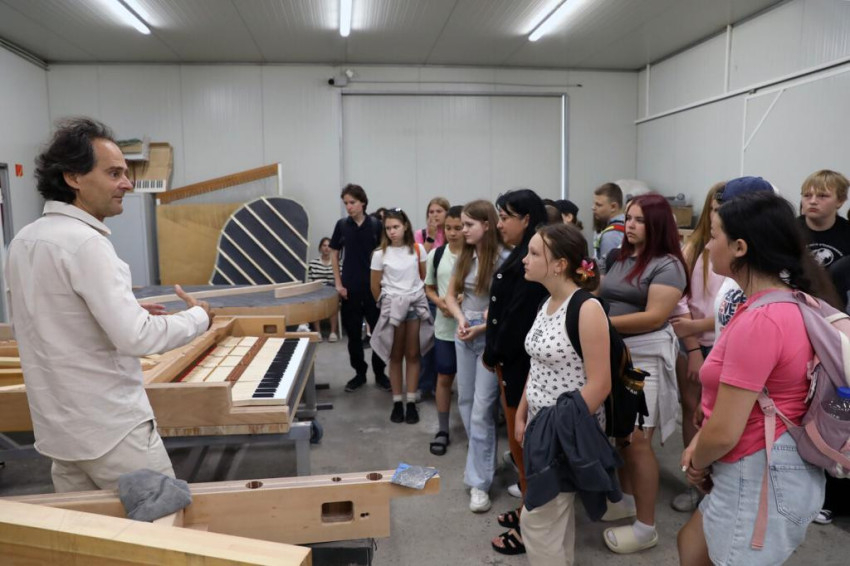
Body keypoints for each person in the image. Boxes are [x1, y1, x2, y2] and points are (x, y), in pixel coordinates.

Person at [6, 117, 213, 493]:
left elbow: (37, 324)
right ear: (73, 177)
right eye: (114, 173)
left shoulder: (23, 241)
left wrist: (120, 312)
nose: (128, 184)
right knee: (160, 522)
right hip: (114, 435)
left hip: (59, 437)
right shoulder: (87, 243)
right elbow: (137, 338)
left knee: (91, 528)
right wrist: (199, 316)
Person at [677, 191, 827, 566]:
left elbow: (725, 432)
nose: (707, 245)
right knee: (691, 545)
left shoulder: (762, 319)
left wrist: (697, 461)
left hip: (757, 467)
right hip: (761, 461)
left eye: (714, 236)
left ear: (740, 247)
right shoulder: (780, 302)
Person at [598, 193, 689, 554]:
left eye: (638, 220)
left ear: (656, 224)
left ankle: (645, 527)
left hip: (644, 358)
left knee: (638, 440)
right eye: (628, 218)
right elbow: (601, 291)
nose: (630, 225)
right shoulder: (620, 256)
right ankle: (625, 500)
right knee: (621, 433)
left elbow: (654, 317)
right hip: (616, 352)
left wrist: (599, 323)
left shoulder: (668, 265)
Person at [517, 223, 612, 565]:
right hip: (541, 426)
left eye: (534, 253)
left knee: (536, 522)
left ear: (559, 264)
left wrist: (555, 432)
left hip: (565, 432)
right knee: (555, 519)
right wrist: (522, 412)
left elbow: (600, 384)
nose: (525, 259)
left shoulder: (586, 308)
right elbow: (538, 364)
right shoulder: (547, 303)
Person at [484, 189, 548, 556]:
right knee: (518, 443)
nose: (500, 224)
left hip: (520, 365)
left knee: (525, 448)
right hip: (509, 363)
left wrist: (493, 352)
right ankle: (527, 508)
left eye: (506, 217)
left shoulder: (531, 261)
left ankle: (531, 526)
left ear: (527, 219)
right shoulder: (520, 254)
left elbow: (516, 320)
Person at [445, 199, 508, 513]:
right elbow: (449, 296)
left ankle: (479, 483)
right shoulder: (465, 256)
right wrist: (460, 319)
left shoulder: (504, 260)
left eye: (468, 225)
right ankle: (484, 462)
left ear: (487, 224)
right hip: (465, 336)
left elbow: (507, 310)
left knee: (482, 410)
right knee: (466, 403)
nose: (462, 231)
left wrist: (482, 327)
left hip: (488, 340)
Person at [669, 183, 725, 513]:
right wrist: (692, 348)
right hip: (693, 346)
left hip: (723, 344)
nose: (719, 216)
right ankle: (695, 485)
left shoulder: (744, 251)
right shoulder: (692, 248)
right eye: (715, 209)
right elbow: (679, 302)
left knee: (720, 417)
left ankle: (719, 487)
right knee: (692, 409)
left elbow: (738, 310)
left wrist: (700, 327)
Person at [369, 208, 432, 424]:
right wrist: (386, 303)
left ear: (405, 226)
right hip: (392, 307)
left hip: (414, 305)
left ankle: (411, 401)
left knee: (413, 354)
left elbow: (424, 277)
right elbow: (374, 286)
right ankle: (397, 402)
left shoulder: (418, 250)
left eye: (395, 227)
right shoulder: (380, 254)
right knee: (395, 355)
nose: (392, 231)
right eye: (388, 228)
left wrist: (413, 294)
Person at [329, 184, 391, 393]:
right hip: (350, 290)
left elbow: (386, 253)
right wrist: (338, 283)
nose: (348, 206)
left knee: (379, 334)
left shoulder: (376, 225)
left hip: (374, 290)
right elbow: (334, 253)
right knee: (354, 336)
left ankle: (380, 373)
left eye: (352, 202)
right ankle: (359, 374)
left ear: (363, 202)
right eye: (346, 203)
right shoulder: (341, 226)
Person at [425, 206, 464, 454]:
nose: (452, 232)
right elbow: (428, 287)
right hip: (444, 329)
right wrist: (440, 303)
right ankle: (442, 429)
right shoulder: (436, 255)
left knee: (473, 385)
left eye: (458, 228)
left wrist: (460, 301)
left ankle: (476, 428)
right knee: (444, 377)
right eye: (448, 228)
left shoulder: (477, 255)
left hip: (469, 328)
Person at [414, 197, 450, 399]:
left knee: (443, 343)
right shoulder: (420, 235)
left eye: (439, 211)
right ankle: (424, 384)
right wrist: (431, 237)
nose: (434, 215)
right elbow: (419, 261)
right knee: (425, 342)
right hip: (425, 293)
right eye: (431, 211)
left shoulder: (452, 234)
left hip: (447, 294)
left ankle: (440, 383)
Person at [797, 169, 850, 268]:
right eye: (807, 195)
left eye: (822, 196)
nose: (812, 201)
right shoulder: (787, 231)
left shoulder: (847, 233)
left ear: (840, 201)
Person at [307, 237, 340, 342]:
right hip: (318, 291)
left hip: (332, 291)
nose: (326, 248)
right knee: (315, 300)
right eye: (324, 245)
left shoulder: (337, 263)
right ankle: (318, 332)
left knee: (334, 300)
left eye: (329, 246)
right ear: (320, 248)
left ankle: (333, 332)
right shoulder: (313, 263)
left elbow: (340, 280)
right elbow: (310, 281)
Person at [591, 182, 625, 269]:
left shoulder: (610, 236)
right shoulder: (627, 225)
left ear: (613, 207)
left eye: (598, 205)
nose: (593, 207)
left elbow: (607, 270)